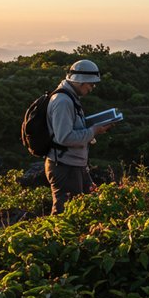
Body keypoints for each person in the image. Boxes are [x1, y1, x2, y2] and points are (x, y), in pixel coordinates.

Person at [46, 59, 114, 214]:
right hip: (64, 165)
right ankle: (55, 239)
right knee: (65, 214)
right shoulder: (63, 101)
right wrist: (93, 131)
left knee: (83, 208)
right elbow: (65, 137)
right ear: (81, 81)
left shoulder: (70, 97)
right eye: (91, 84)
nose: (92, 88)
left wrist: (94, 130)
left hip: (73, 163)